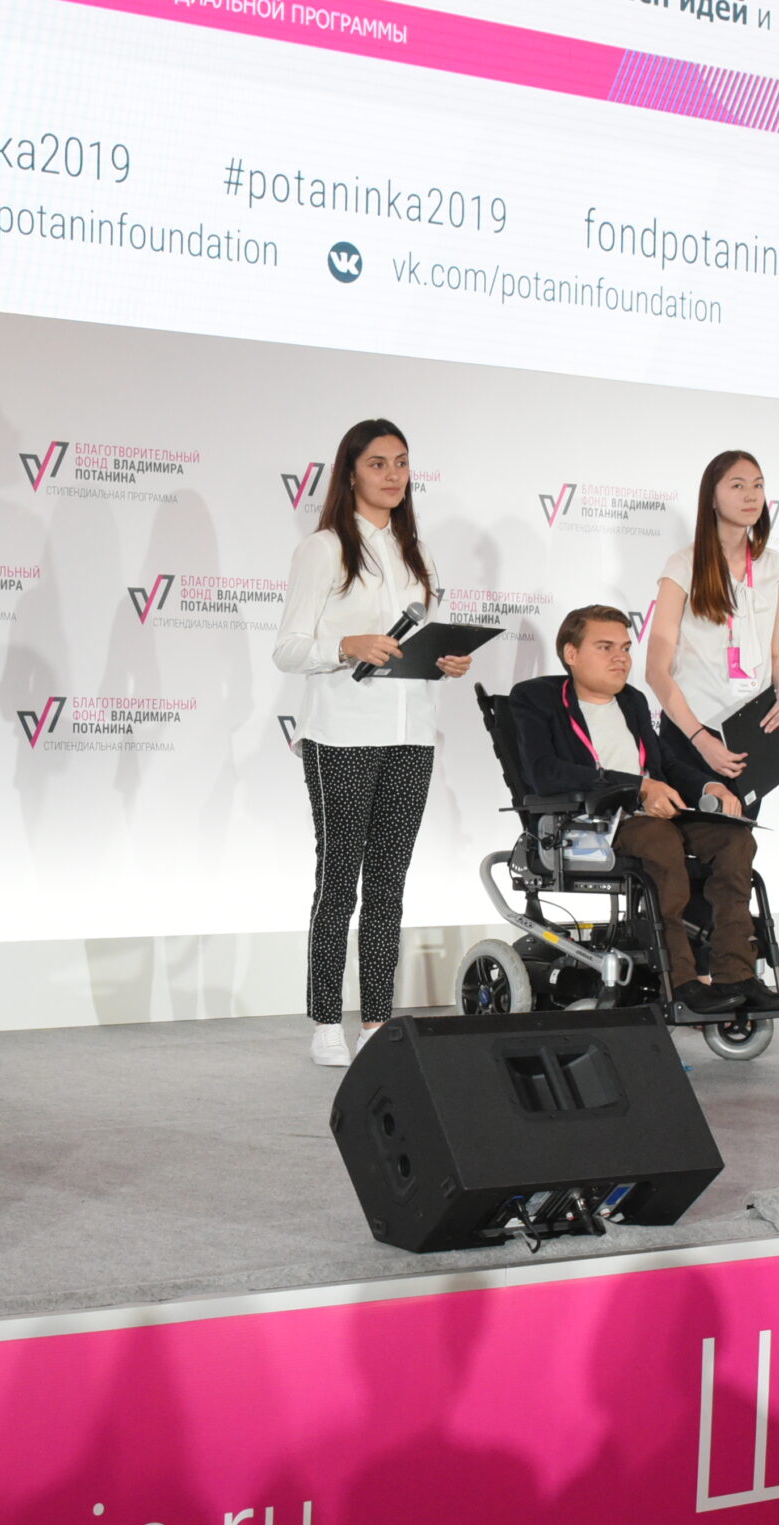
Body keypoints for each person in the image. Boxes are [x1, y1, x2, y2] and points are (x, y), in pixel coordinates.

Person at [271, 418, 473, 1067]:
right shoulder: (324, 548)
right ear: (351, 473)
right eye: (378, 463)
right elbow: (288, 648)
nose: (392, 475)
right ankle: (326, 1020)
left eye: (401, 462)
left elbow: (425, 640)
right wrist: (346, 645)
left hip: (412, 735)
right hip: (341, 734)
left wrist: (447, 659)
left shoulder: (419, 553)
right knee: (338, 882)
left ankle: (378, 1019)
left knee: (389, 884)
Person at [512, 606, 779, 1013]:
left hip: (652, 817)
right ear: (571, 653)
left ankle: (736, 975)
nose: (620, 658)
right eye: (605, 647)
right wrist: (637, 788)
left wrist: (709, 785)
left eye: (624, 648)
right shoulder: (535, 700)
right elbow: (544, 773)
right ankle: (682, 981)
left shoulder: (632, 701)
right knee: (659, 839)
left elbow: (664, 765)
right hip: (586, 826)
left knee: (734, 838)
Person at [646, 449, 779, 790]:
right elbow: (656, 670)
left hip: (751, 730)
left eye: (758, 485)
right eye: (737, 486)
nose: (751, 496)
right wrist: (700, 738)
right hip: (692, 731)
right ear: (712, 498)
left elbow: (773, 654)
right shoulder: (683, 565)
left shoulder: (774, 567)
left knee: (742, 826)